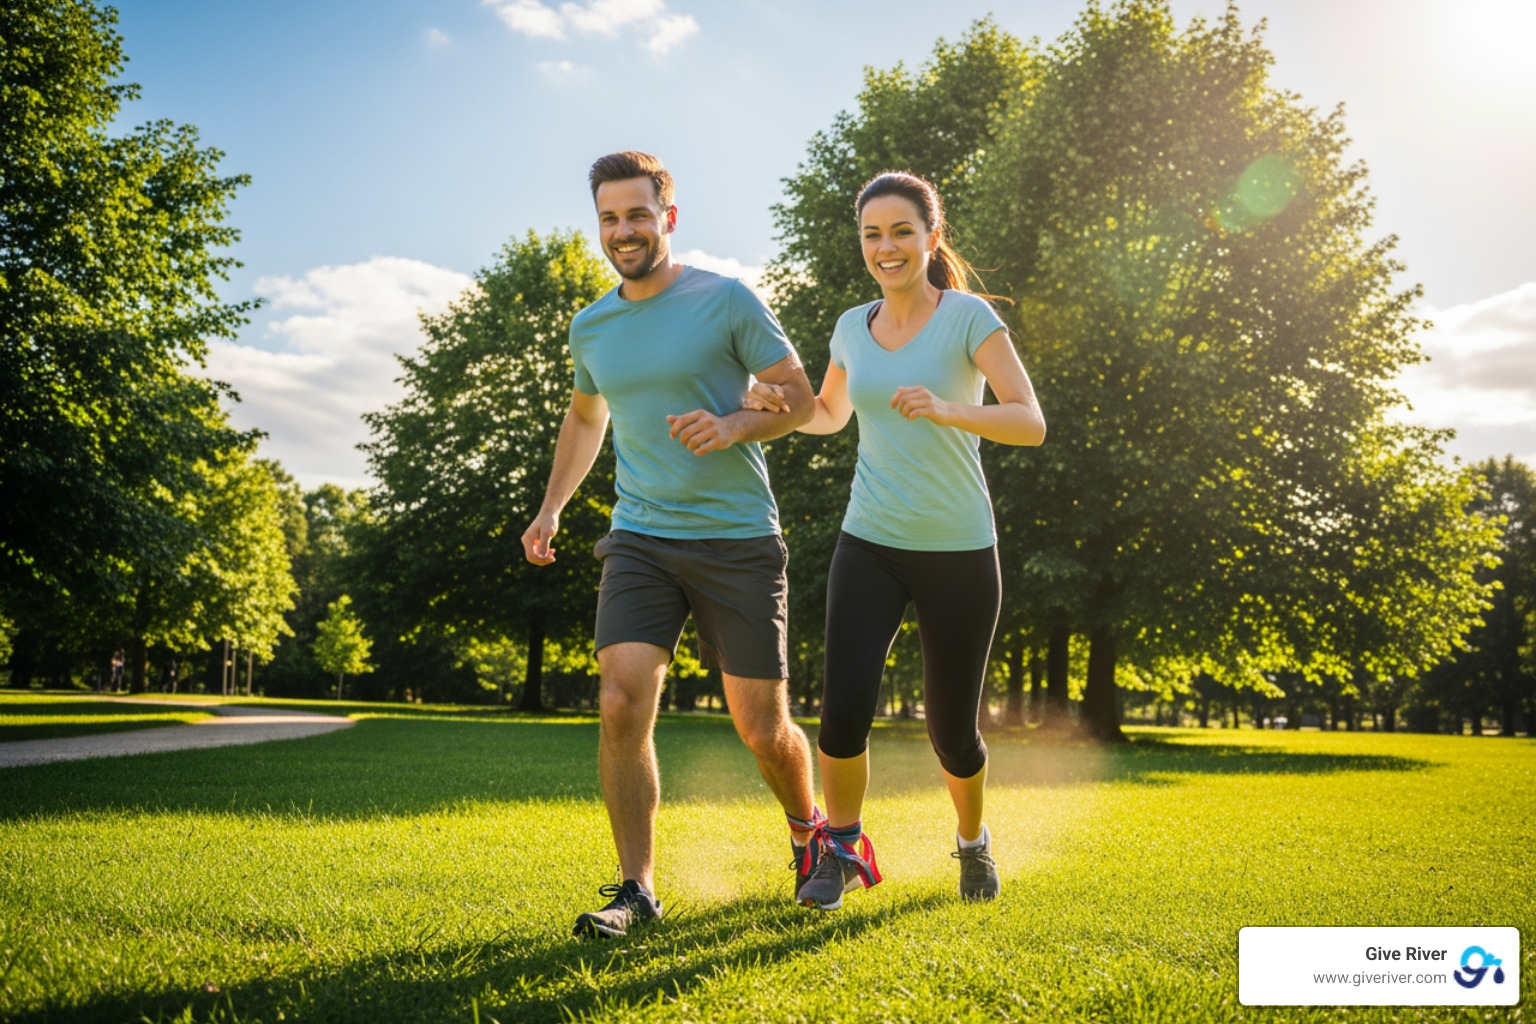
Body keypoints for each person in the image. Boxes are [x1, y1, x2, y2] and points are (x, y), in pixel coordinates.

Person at [521, 151, 824, 940]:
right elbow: (588, 418)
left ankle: (811, 833)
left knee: (762, 728)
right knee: (620, 698)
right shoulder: (592, 325)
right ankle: (637, 890)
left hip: (737, 539)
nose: (623, 231)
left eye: (637, 214)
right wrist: (553, 506)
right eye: (609, 218)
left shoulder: (725, 301)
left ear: (668, 218)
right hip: (641, 536)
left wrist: (733, 425)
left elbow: (800, 400)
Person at [746, 171, 1046, 910]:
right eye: (872, 234)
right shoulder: (853, 325)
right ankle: (841, 849)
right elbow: (829, 414)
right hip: (869, 539)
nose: (886, 247)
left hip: (960, 549)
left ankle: (972, 844)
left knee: (953, 732)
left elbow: (1029, 422)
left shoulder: (970, 318)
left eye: (901, 231)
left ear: (931, 238)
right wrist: (774, 404)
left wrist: (948, 409)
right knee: (843, 709)